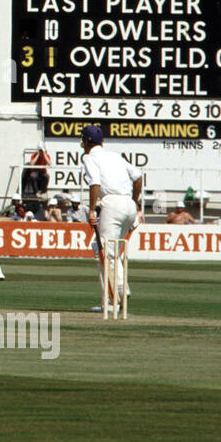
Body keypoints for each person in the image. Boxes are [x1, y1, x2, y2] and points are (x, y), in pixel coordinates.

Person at [80, 125, 142, 316]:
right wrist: (135, 201)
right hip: (129, 205)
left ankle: (116, 296)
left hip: (112, 203)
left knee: (104, 252)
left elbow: (95, 183)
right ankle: (117, 296)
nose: (81, 143)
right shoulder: (115, 156)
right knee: (113, 253)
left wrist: (91, 210)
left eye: (82, 139)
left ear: (87, 142)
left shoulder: (89, 157)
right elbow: (138, 177)